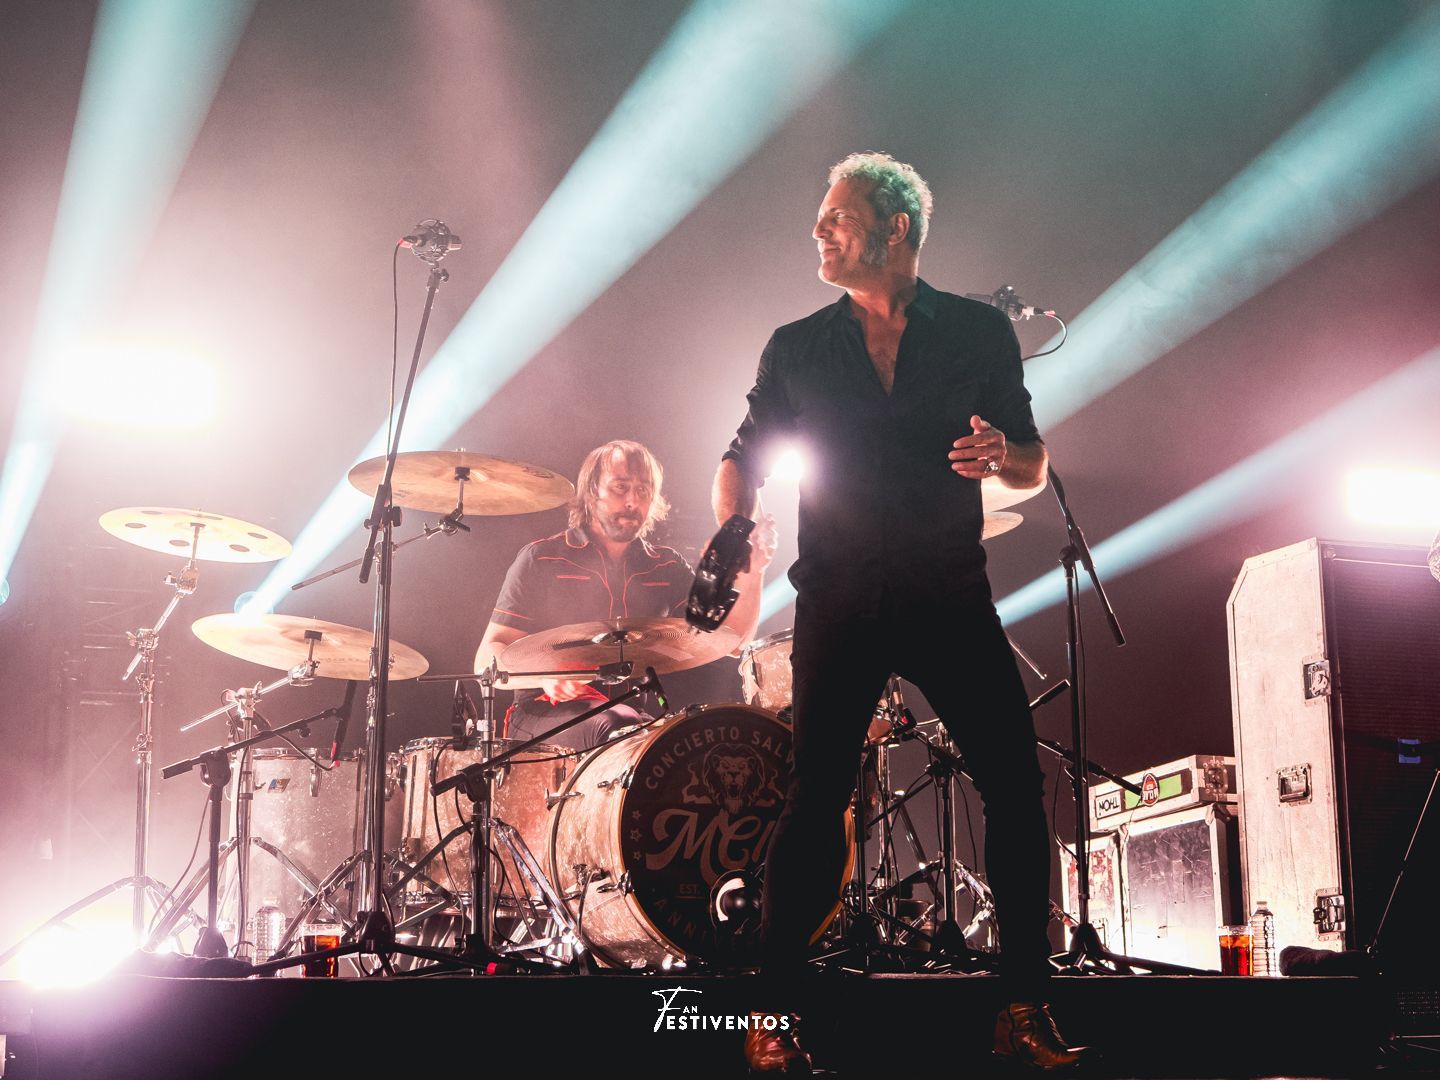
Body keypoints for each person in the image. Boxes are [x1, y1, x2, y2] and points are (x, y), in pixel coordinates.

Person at [714, 153, 1087, 1072]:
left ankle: (1023, 1006)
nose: (818, 230)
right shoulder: (797, 346)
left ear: (896, 228)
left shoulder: (975, 333)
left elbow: (1032, 460)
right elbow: (743, 456)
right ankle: (773, 1014)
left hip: (946, 593)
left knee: (1014, 785)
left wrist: (1004, 455)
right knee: (815, 799)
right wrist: (730, 529)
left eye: (837, 216)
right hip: (839, 595)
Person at [476, 439, 772, 751]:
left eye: (643, 490)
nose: (633, 500)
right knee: (620, 725)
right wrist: (543, 678)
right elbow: (486, 657)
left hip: (630, 719)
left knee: (701, 740)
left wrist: (754, 571)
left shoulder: (665, 565)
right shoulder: (542, 557)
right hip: (542, 713)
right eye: (620, 487)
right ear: (591, 492)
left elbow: (732, 641)